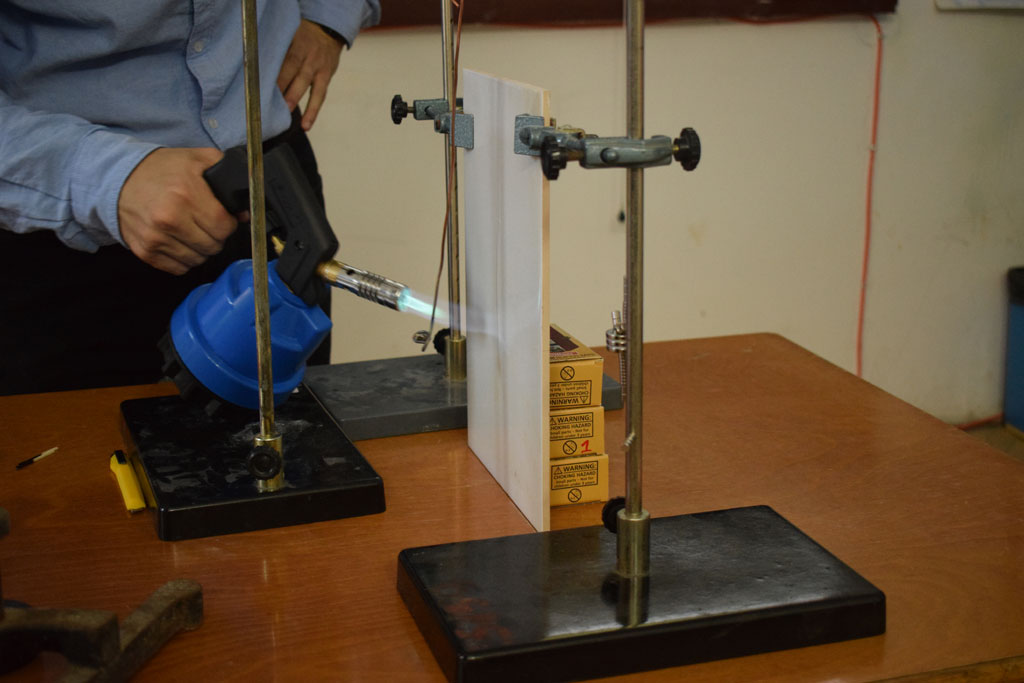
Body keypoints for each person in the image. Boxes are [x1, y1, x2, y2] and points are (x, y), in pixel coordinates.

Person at [0, 1, 380, 395]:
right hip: (64, 223)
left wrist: (330, 18)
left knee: (296, 427)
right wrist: (102, 178)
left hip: (272, 179)